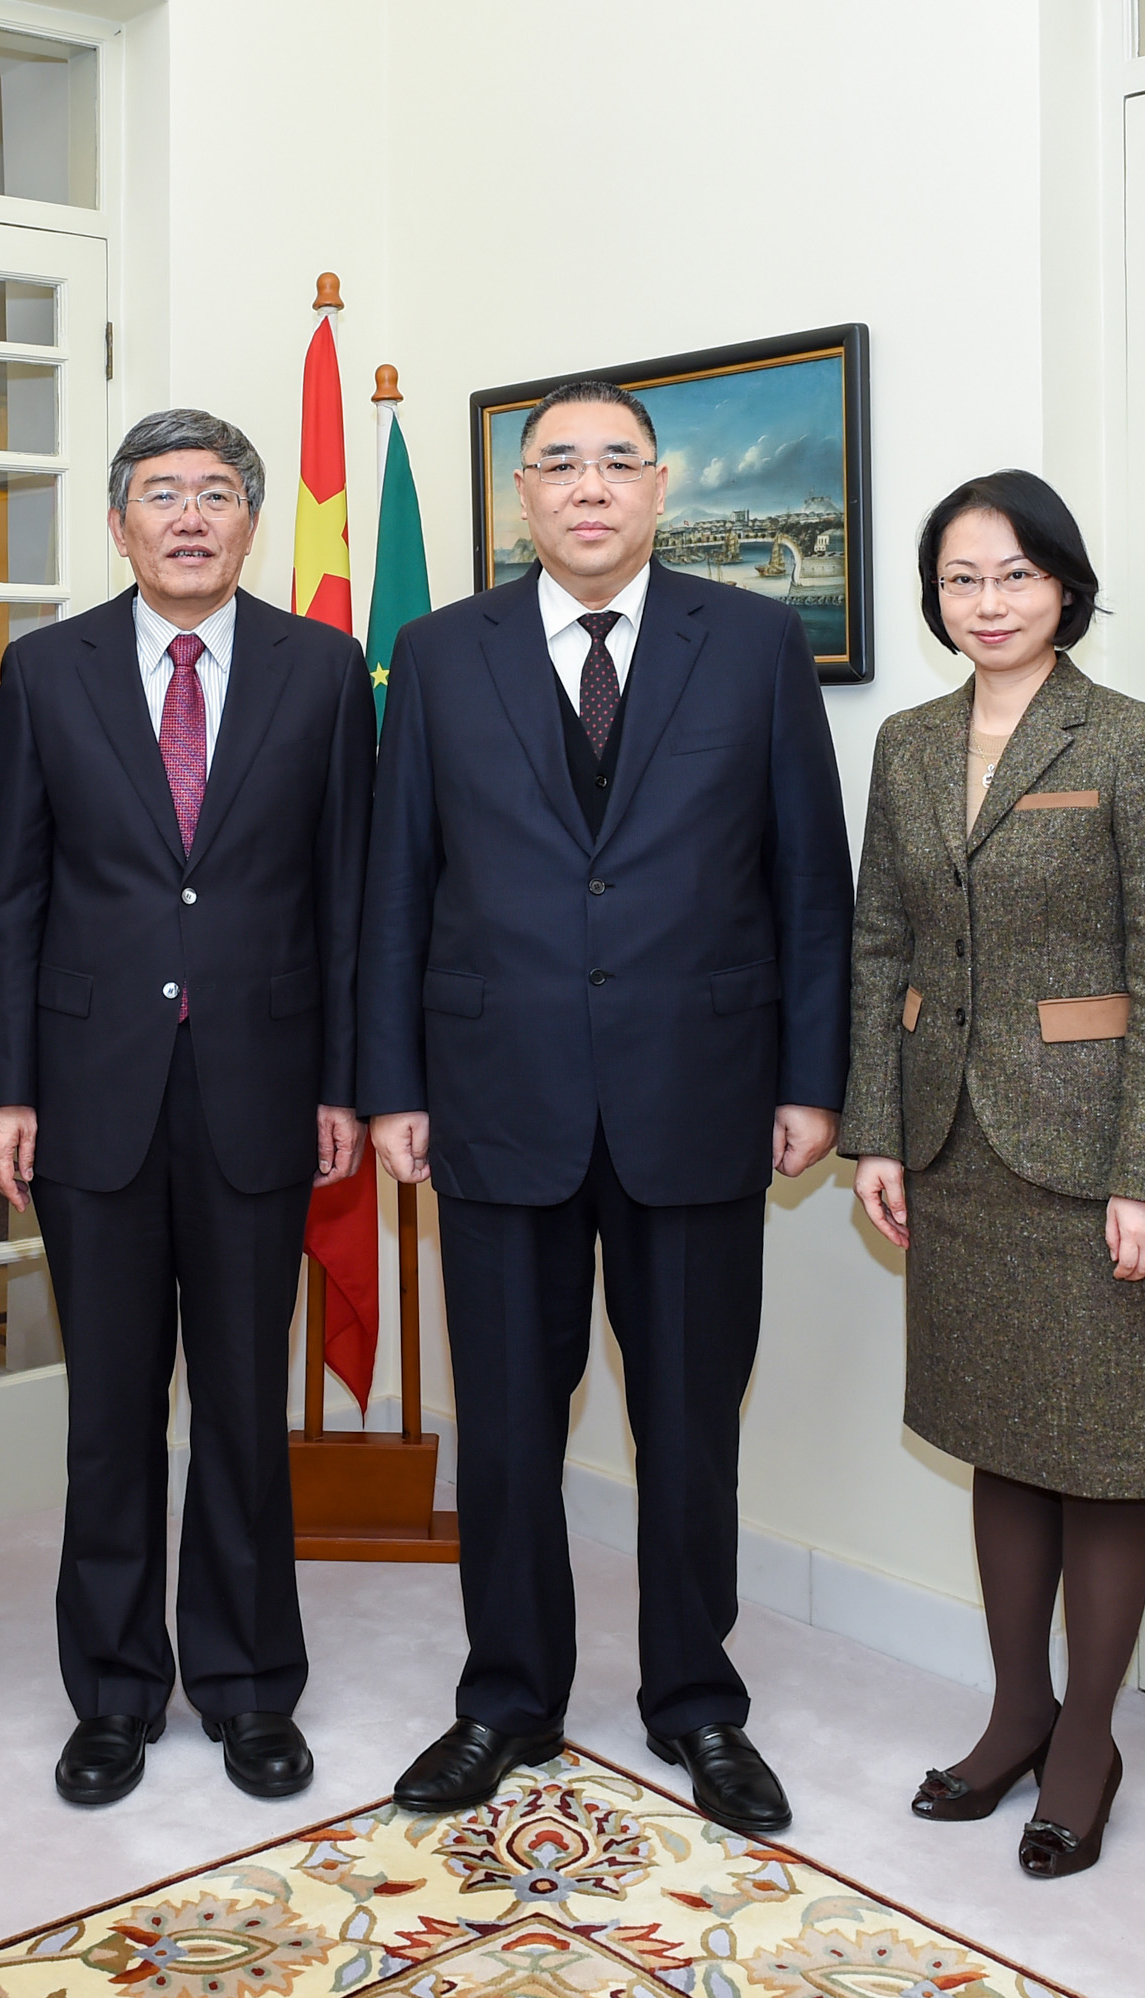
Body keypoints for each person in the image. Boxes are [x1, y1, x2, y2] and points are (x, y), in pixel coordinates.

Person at [361, 380, 853, 1833]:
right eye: (559, 464)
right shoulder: (440, 652)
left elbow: (807, 882)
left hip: (700, 1095)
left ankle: (698, 1703)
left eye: (617, 462)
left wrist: (810, 1079)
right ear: (521, 495)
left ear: (660, 487)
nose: (589, 487)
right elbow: (397, 885)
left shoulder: (753, 641)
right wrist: (391, 1085)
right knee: (508, 1426)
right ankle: (508, 1697)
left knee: (690, 1425)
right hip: (493, 1097)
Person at [0, 409, 373, 1807]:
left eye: (214, 493)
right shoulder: (46, 669)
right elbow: (10, 897)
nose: (189, 516)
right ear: (120, 523)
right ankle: (114, 1690)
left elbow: (349, 893)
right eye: (162, 494)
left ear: (251, 521)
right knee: (111, 1413)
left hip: (263, 1089)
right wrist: (6, 1086)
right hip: (93, 1095)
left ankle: (251, 1685)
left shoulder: (323, 669)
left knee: (247, 1410)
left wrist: (344, 1080)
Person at [842, 471, 1145, 1879]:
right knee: (998, 1433)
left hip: (1094, 1151)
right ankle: (1016, 1712)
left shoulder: (1134, 738)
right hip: (951, 1145)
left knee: (1102, 1455)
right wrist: (879, 1130)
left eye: (1014, 576)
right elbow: (881, 943)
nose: (987, 603)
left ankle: (1086, 1743)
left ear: (1064, 586)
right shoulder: (909, 742)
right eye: (960, 579)